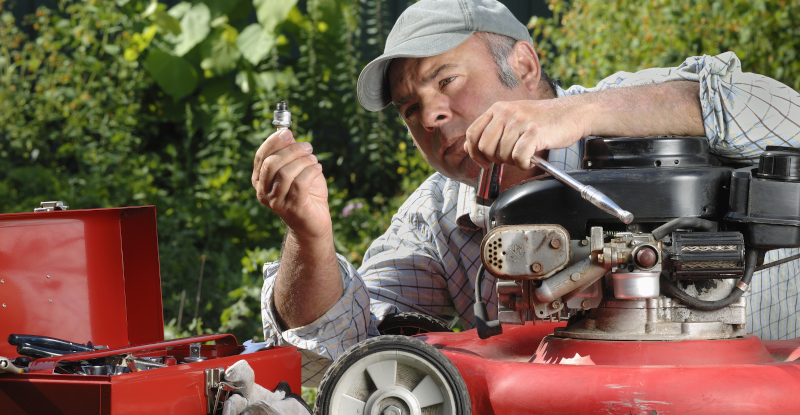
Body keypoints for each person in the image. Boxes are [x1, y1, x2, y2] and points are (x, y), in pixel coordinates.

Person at [251, 0, 800, 386]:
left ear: (524, 64)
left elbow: (781, 114)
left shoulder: (626, 108)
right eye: (410, 108)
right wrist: (310, 237)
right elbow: (340, 356)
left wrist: (574, 115)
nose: (432, 115)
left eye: (446, 81)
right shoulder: (436, 217)